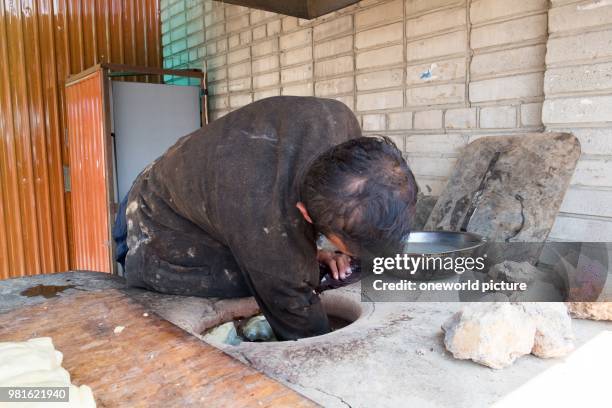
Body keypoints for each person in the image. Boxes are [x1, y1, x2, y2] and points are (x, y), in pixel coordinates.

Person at [114, 96, 418, 340]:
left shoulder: (340, 122)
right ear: (304, 213)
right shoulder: (260, 214)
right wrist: (300, 264)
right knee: (249, 282)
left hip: (206, 183)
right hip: (155, 220)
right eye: (346, 248)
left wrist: (319, 251)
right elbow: (303, 324)